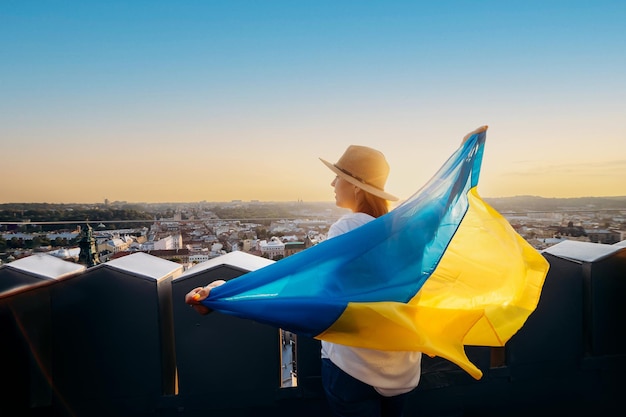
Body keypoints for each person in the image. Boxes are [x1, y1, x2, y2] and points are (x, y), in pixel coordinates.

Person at [185, 127, 486, 416]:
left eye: (337, 177)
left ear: (355, 186)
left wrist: (222, 294)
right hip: (402, 370)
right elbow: (446, 206)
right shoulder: (408, 234)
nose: (332, 185)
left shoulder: (346, 228)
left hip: (353, 367)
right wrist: (466, 156)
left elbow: (306, 281)